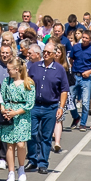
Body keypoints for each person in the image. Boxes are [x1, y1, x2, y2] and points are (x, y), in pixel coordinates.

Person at [29, 43, 68, 174]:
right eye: (44, 51)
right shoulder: (34, 67)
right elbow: (27, 84)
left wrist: (61, 107)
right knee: (32, 133)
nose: (45, 54)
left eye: (48, 52)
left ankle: (43, 163)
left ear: (54, 54)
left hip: (50, 107)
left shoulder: (59, 69)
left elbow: (64, 90)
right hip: (34, 105)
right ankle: (32, 159)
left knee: (46, 136)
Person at [0, 58, 36, 181]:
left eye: (10, 70)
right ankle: (10, 172)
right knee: (10, 145)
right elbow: (2, 98)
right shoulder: (6, 81)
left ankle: (21, 168)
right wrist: (4, 109)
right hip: (9, 113)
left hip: (22, 116)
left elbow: (30, 103)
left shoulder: (28, 83)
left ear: (17, 69)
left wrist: (16, 112)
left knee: (21, 143)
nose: (8, 72)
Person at [66, 25, 91, 130]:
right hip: (75, 76)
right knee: (70, 100)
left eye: (86, 38)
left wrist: (89, 72)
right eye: (83, 37)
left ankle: (83, 123)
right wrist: (72, 68)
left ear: (90, 39)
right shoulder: (76, 47)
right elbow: (71, 59)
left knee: (85, 102)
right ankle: (76, 117)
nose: (84, 40)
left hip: (86, 78)